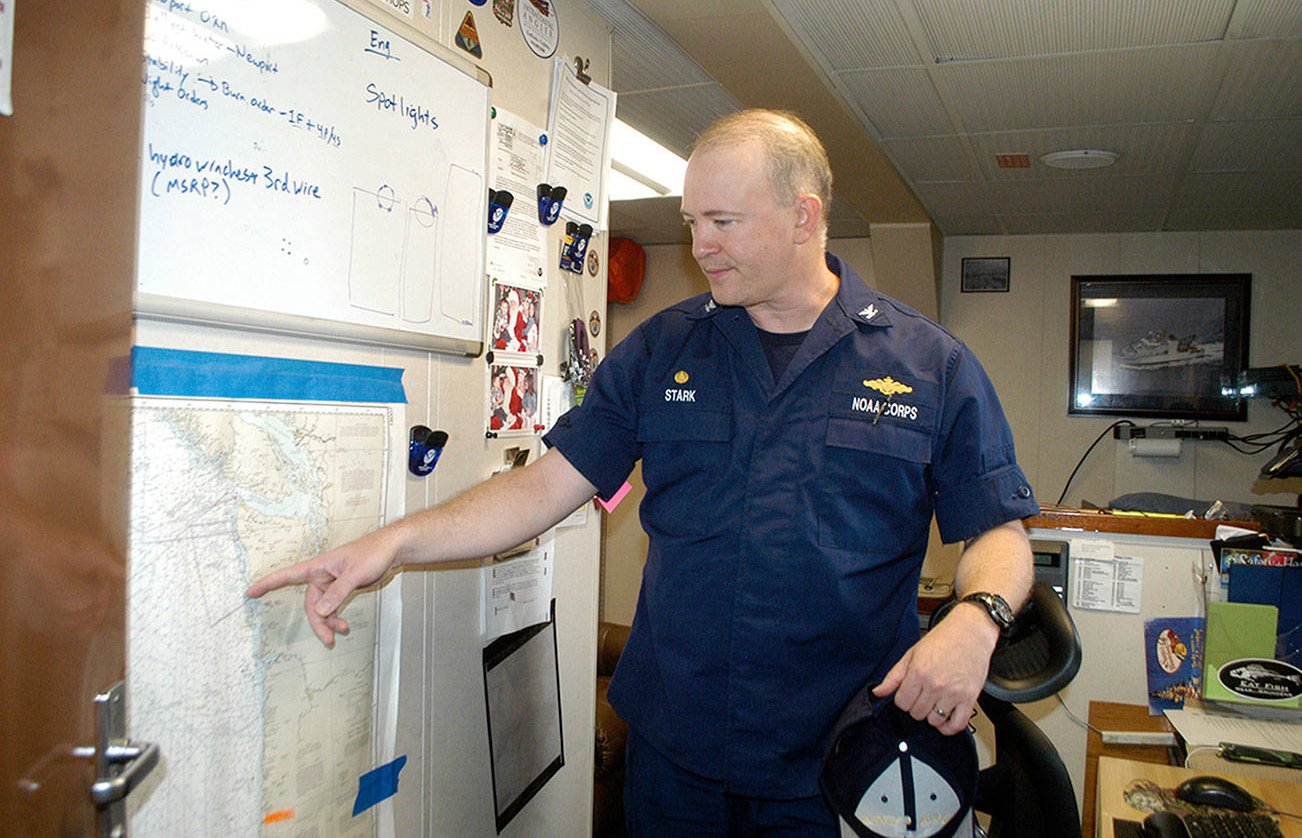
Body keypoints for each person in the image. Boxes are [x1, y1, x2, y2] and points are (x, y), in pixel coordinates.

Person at [247, 109, 1038, 835]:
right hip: (675, 756)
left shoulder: (928, 365)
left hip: (839, 759)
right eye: (692, 222)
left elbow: (998, 533)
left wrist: (978, 619)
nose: (700, 247)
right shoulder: (664, 350)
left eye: (723, 222)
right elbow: (543, 487)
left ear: (803, 215)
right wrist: (391, 543)